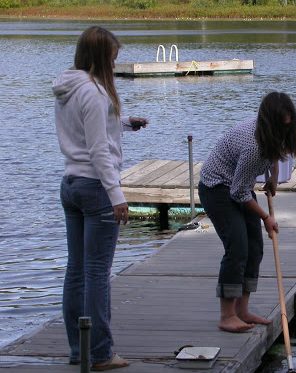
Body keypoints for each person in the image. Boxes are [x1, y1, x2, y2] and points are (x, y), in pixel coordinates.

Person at [54, 26, 147, 371]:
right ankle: (102, 354)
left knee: (76, 271)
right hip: (95, 188)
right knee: (96, 272)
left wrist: (122, 123)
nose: (115, 63)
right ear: (99, 58)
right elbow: (97, 151)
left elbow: (86, 131)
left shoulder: (69, 87)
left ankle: (79, 350)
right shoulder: (94, 93)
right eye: (112, 57)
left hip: (71, 184)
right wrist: (117, 196)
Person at [198, 92, 296, 333]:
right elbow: (237, 193)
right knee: (237, 247)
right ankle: (227, 315)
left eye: (289, 125)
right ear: (270, 123)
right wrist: (266, 217)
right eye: (282, 127)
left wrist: (274, 177)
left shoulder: (270, 136)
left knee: (254, 247)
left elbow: (273, 154)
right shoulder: (254, 146)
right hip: (217, 189)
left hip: (237, 186)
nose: (286, 132)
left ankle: (242, 310)